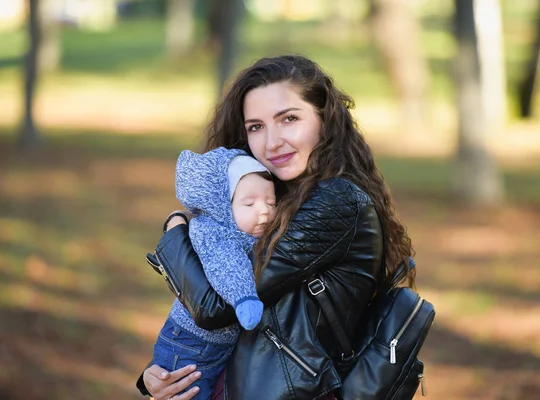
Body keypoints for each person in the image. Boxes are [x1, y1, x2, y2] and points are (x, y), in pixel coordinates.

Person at [137, 54, 415, 400]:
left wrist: (175, 230)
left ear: (325, 120)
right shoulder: (274, 200)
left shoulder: (336, 203)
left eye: (289, 119)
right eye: (256, 126)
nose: (272, 142)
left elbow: (215, 306)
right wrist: (160, 374)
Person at [151, 147, 276, 400]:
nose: (264, 210)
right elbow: (228, 268)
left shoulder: (243, 230)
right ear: (223, 207)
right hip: (192, 345)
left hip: (214, 345)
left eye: (272, 202)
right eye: (249, 203)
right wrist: (245, 299)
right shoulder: (216, 235)